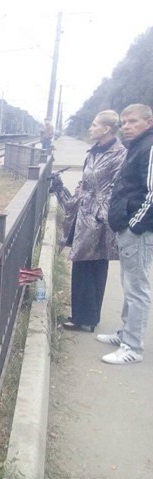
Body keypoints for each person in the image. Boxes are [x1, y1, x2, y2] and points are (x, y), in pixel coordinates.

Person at [58, 110, 126, 333]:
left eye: (95, 124)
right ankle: (85, 316)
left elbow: (118, 189)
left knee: (92, 265)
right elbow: (84, 183)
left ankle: (84, 319)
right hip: (85, 214)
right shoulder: (94, 151)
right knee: (85, 265)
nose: (90, 128)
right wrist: (66, 196)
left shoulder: (119, 155)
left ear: (106, 129)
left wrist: (102, 214)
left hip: (99, 219)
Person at [97, 104, 153, 364]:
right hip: (128, 228)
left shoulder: (149, 147)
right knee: (129, 286)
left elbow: (151, 193)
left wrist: (134, 225)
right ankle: (125, 334)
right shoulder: (137, 147)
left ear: (148, 122)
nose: (127, 126)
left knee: (137, 289)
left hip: (138, 232)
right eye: (124, 123)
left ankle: (133, 347)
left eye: (133, 122)